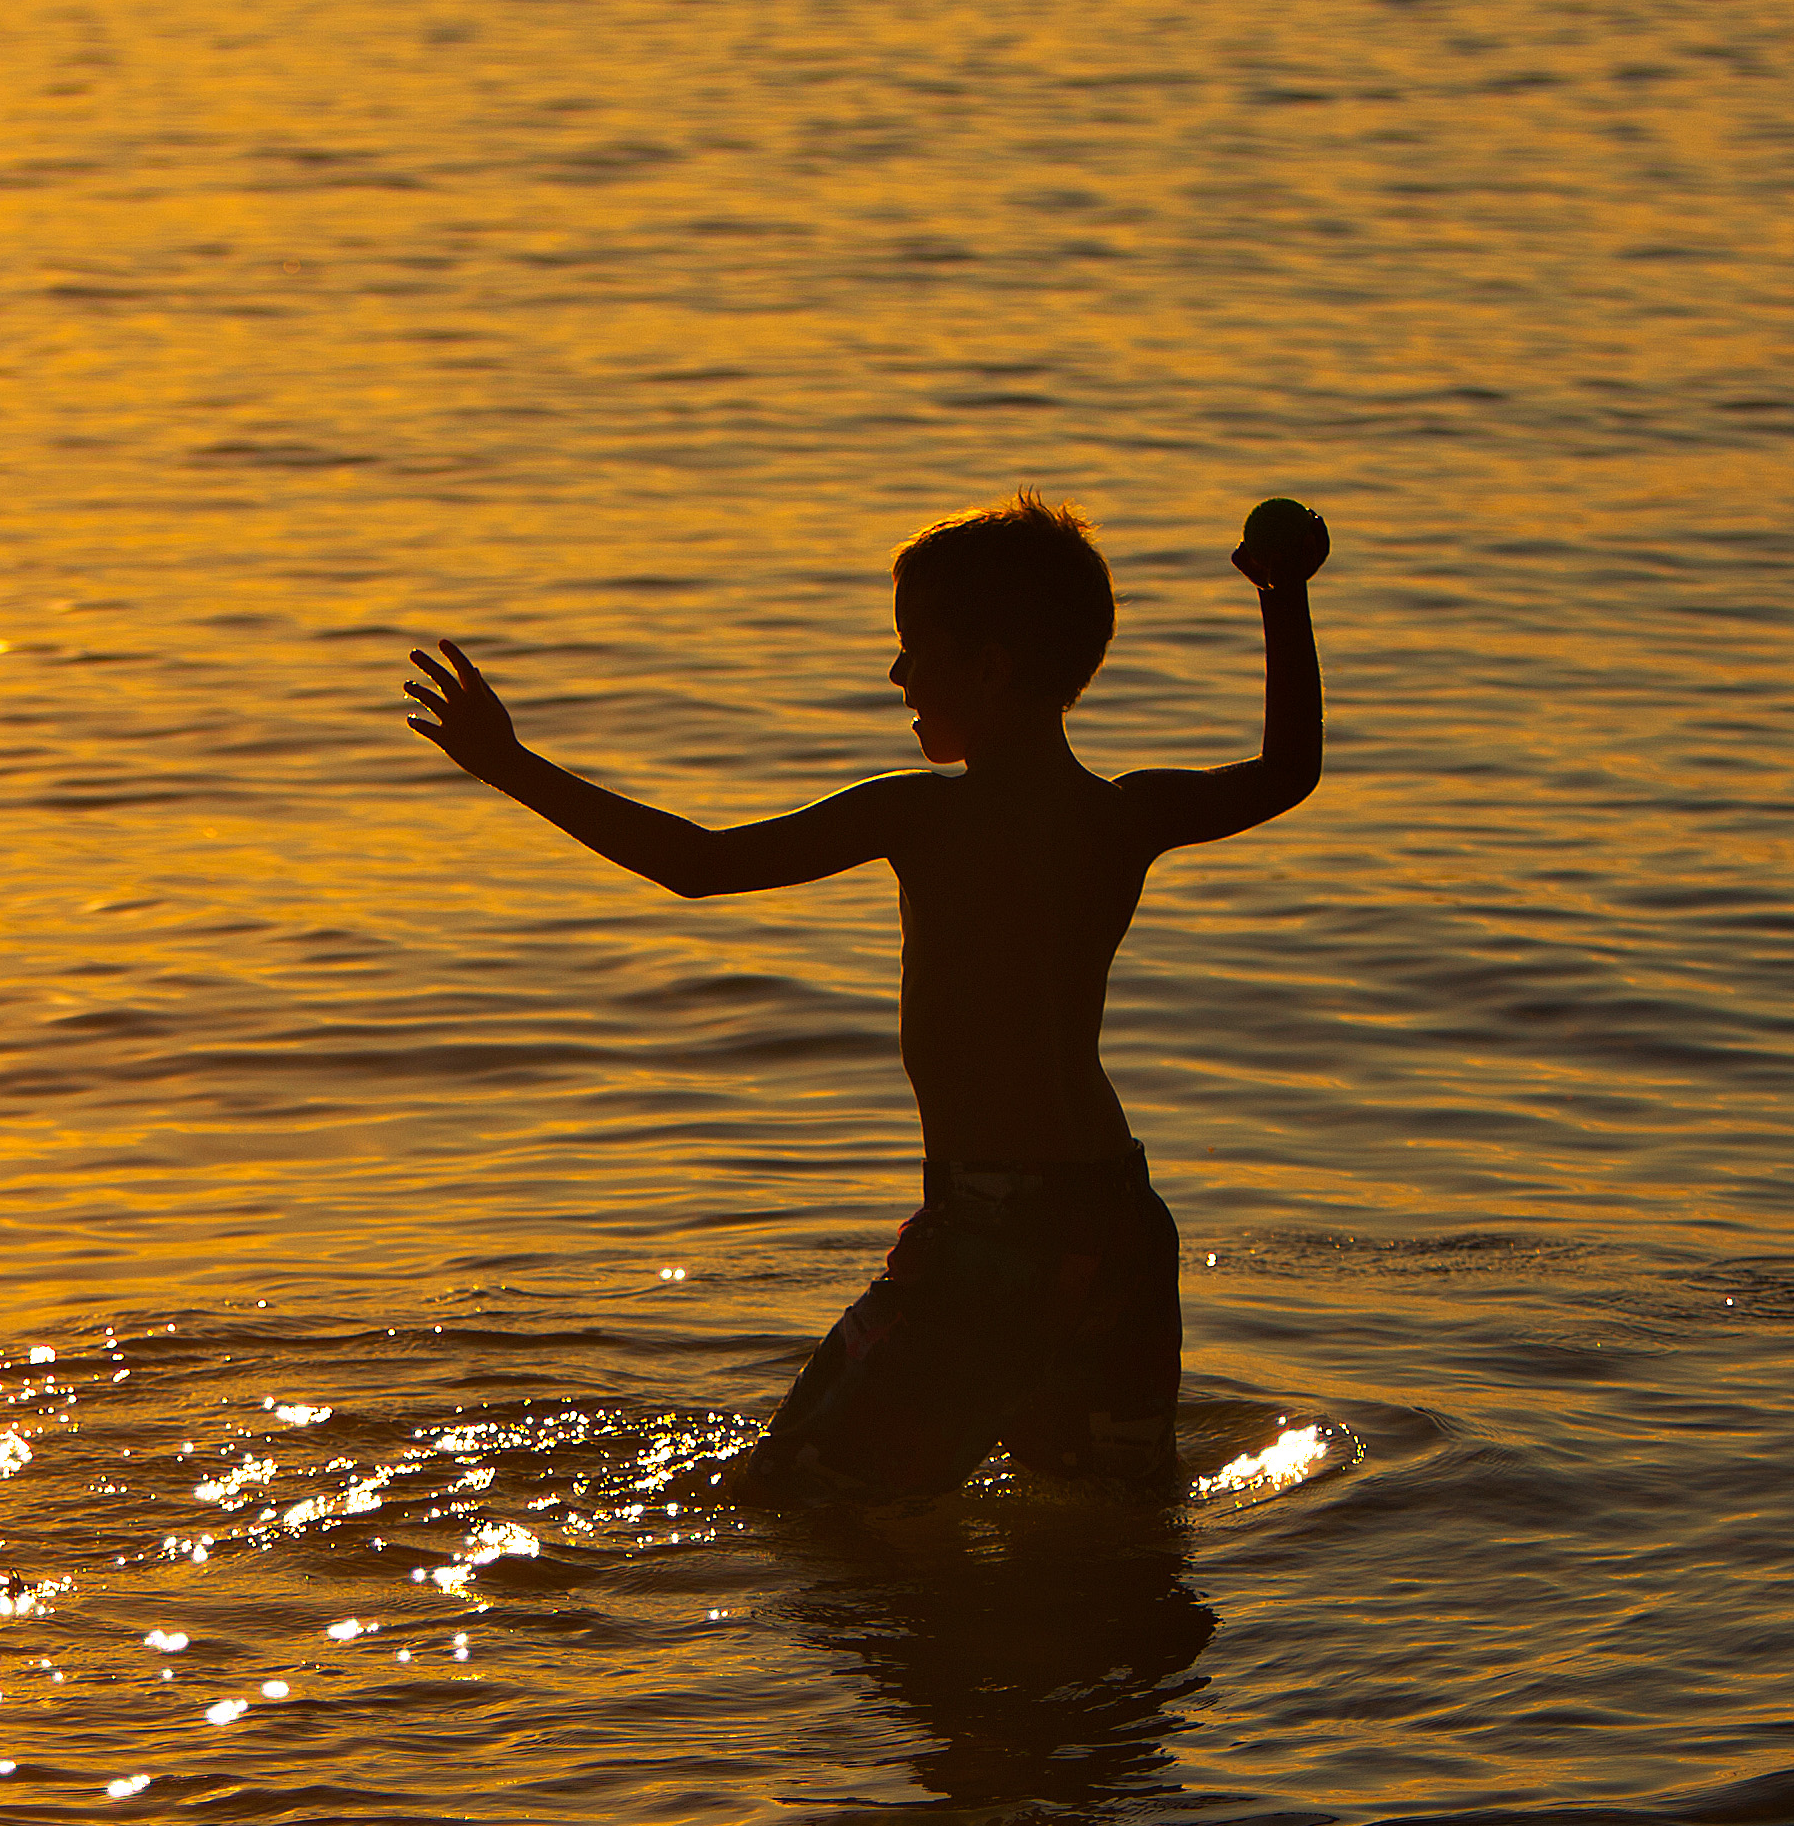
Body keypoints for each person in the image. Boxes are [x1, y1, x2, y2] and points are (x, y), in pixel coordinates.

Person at [397, 489, 1327, 1507]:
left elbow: (698, 865)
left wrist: (508, 764)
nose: (896, 675)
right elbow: (1288, 770)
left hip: (996, 1239)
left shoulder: (923, 819)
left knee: (793, 1504)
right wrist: (1282, 599)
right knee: (1104, 1522)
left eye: (914, 649)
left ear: (988, 667)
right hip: (1115, 1229)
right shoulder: (1124, 814)